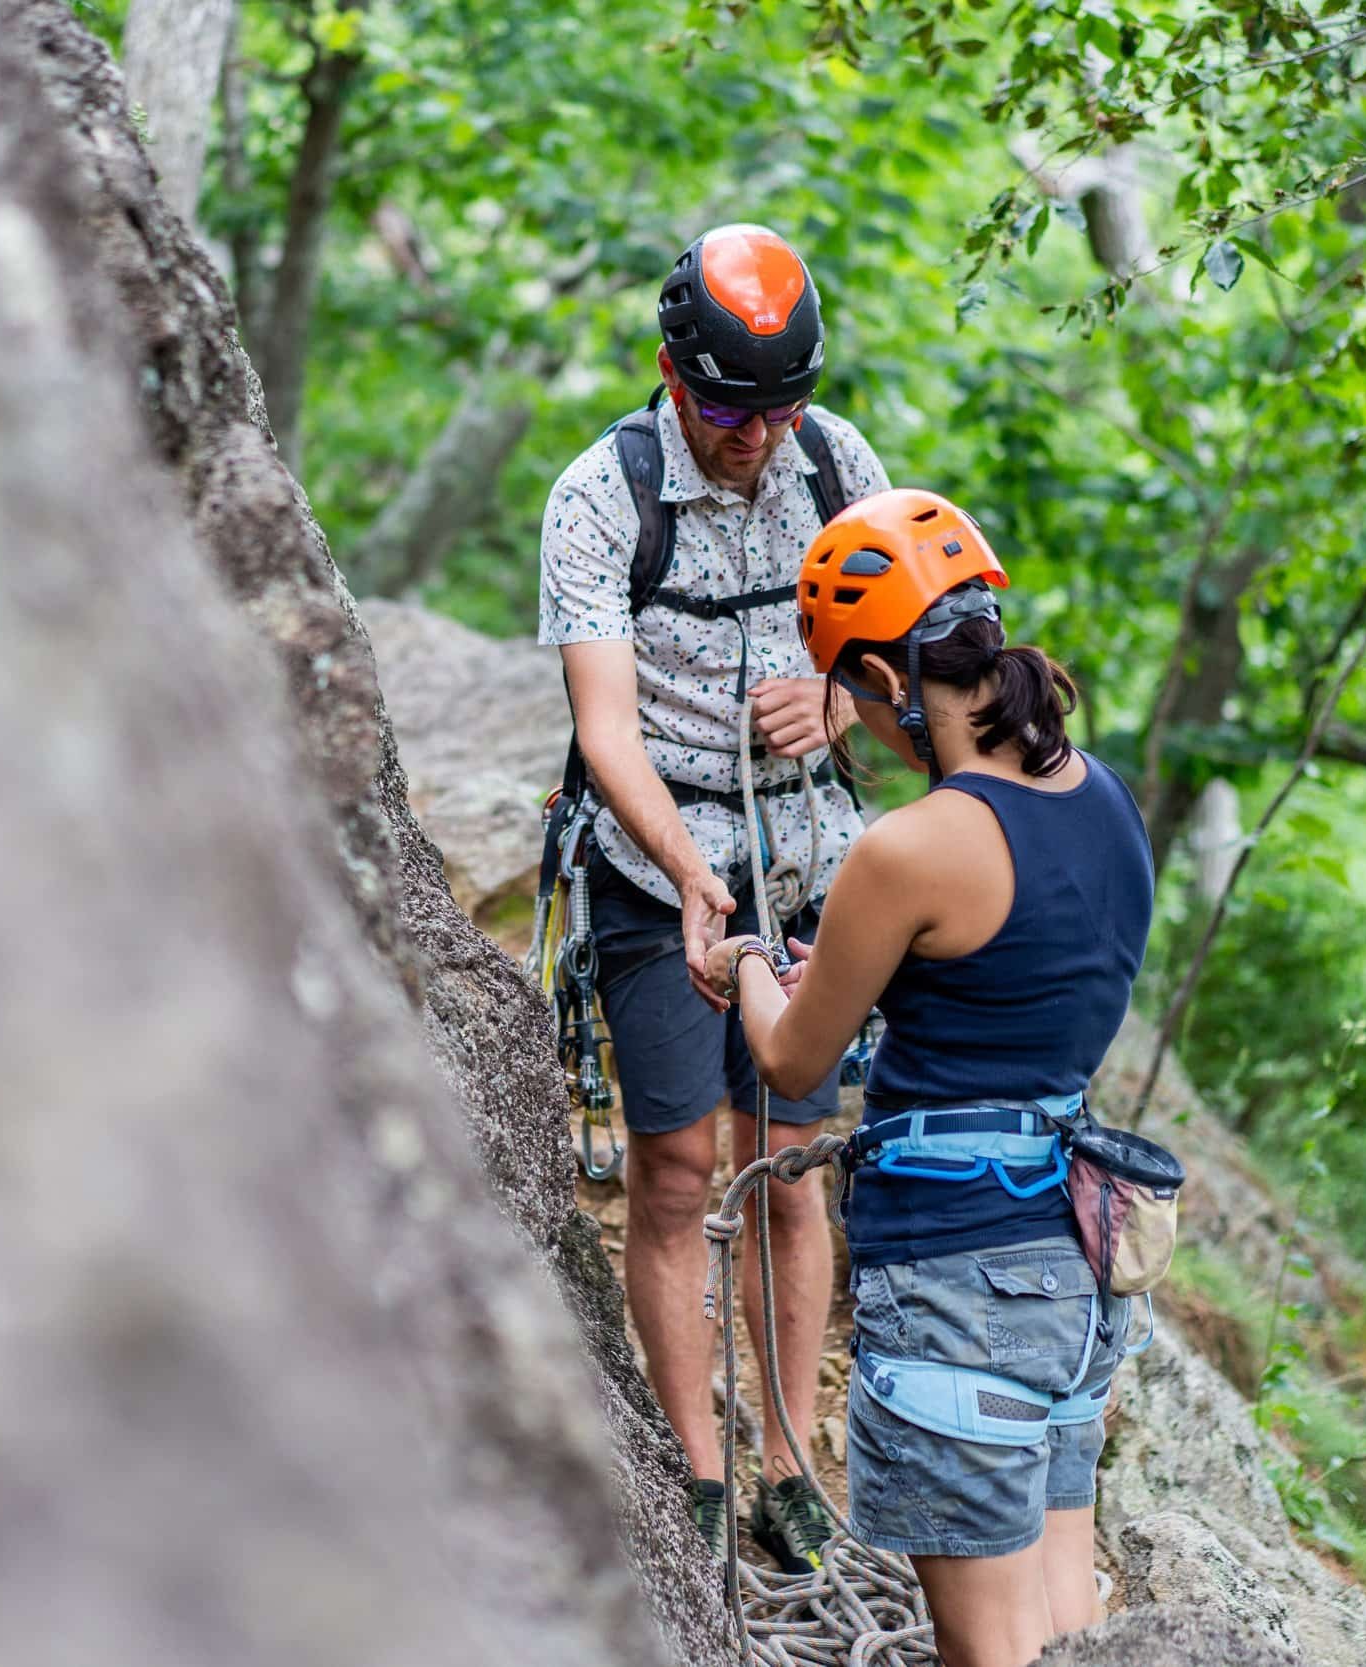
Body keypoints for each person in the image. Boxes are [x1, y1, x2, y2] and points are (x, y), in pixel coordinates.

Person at [707, 487, 1154, 1667]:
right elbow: (1006, 976)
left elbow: (791, 1052)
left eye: (854, 695)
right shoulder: (1103, 798)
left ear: (891, 679)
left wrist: (748, 959)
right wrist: (848, 969)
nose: (857, 721)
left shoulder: (908, 847)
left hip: (958, 1276)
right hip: (1074, 1270)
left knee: (985, 1643)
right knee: (1063, 1608)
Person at [537, 223, 892, 1569]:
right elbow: (605, 725)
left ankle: (791, 1454)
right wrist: (689, 874)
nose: (753, 437)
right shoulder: (601, 495)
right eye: (726, 410)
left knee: (791, 1169)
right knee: (679, 1166)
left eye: (777, 409)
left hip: (806, 862)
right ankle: (694, 1463)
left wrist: (843, 694)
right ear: (673, 375)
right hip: (653, 863)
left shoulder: (834, 461)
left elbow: (912, 666)